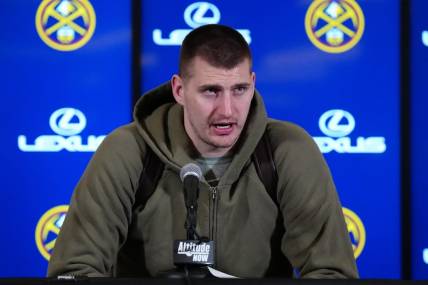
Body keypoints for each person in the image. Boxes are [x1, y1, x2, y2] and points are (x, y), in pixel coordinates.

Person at [47, 24, 358, 279]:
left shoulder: (288, 150)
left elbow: (332, 272)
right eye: (211, 91)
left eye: (239, 90)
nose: (227, 110)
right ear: (179, 90)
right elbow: (75, 270)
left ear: (252, 83)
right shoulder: (128, 151)